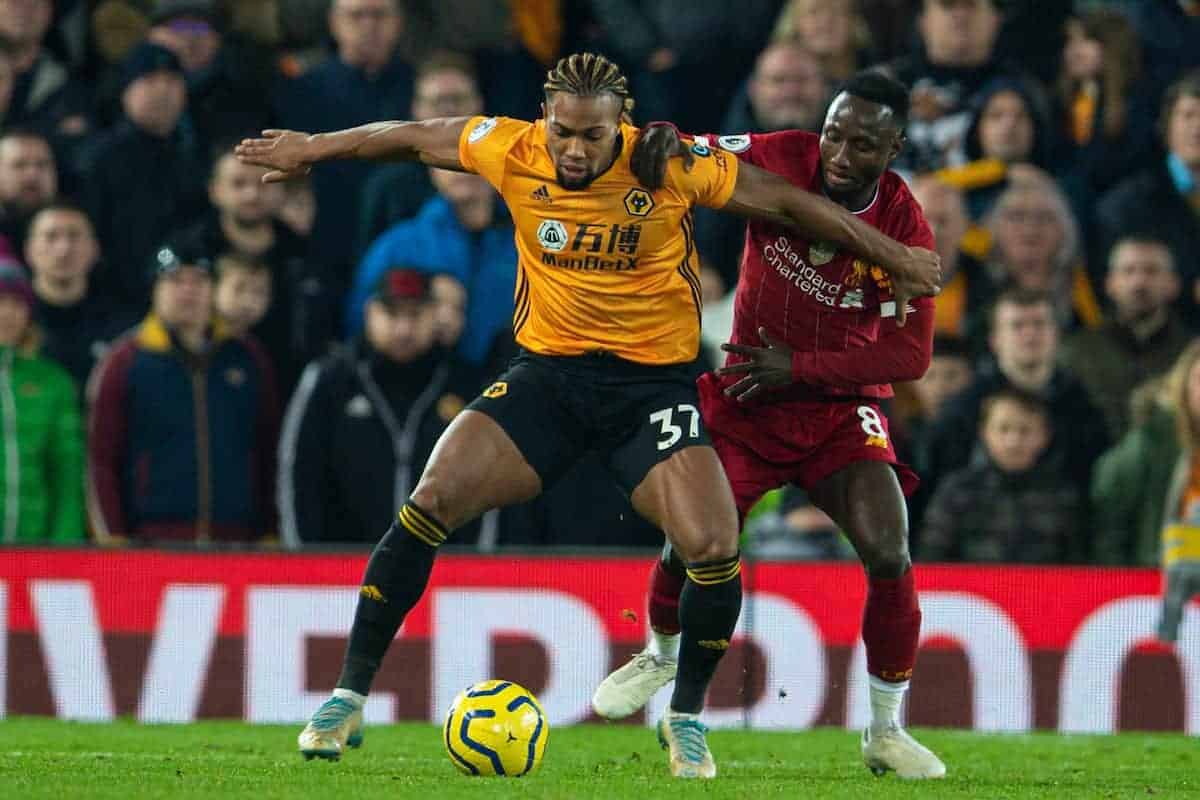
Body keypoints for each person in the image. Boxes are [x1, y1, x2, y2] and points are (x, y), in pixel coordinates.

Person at [236, 51, 940, 777]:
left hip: (652, 390)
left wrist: (891, 253)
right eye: (564, 131)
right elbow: (410, 134)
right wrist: (310, 150)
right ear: (546, 118)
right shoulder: (511, 147)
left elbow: (789, 201)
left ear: (621, 128)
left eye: (592, 137)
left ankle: (686, 718)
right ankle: (347, 696)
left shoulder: (665, 165)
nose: (574, 150)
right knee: (430, 500)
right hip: (549, 378)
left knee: (713, 544)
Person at [592, 71, 946, 779]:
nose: (840, 154)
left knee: (890, 552)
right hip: (746, 400)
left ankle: (884, 731)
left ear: (896, 148)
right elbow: (692, 152)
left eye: (863, 144)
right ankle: (660, 654)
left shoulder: (905, 228)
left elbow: (910, 353)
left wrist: (804, 368)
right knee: (697, 542)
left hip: (837, 413)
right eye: (834, 134)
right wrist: (660, 137)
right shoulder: (780, 155)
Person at [920, 386, 1082, 564]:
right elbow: (932, 559)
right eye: (1003, 429)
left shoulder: (1062, 494)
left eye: (1025, 430)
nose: (1013, 441)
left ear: (1044, 436)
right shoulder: (957, 490)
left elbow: (1078, 564)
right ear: (985, 433)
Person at [0, 259, 84, 542]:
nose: (7, 313)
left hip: (36, 554)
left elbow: (67, 472)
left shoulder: (53, 381)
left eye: (16, 304)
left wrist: (65, 545)